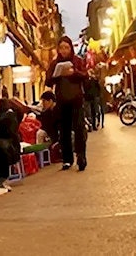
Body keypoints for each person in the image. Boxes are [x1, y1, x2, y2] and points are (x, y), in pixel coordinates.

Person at [45, 36, 88, 171]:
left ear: (71, 48)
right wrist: (57, 75)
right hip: (62, 101)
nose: (64, 51)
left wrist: (73, 73)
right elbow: (48, 81)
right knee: (64, 131)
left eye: (66, 48)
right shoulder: (54, 63)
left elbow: (85, 76)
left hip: (76, 100)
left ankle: (81, 156)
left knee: (79, 129)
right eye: (61, 48)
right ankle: (67, 159)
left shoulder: (77, 61)